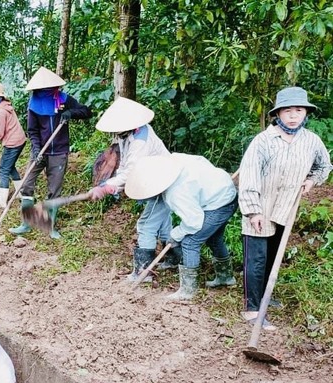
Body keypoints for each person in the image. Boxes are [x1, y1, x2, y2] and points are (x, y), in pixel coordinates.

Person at [238, 86, 331, 329]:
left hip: (285, 210)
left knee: (272, 257)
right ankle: (251, 308)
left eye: (298, 110)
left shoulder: (311, 141)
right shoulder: (263, 141)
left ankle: (266, 298)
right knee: (255, 259)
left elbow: (324, 166)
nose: (293, 115)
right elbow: (249, 177)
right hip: (260, 208)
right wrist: (253, 211)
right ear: (277, 114)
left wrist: (312, 180)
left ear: (305, 113)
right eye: (287, 110)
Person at [124, 153, 239, 300]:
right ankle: (226, 278)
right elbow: (202, 162)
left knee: (190, 242)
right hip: (223, 193)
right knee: (214, 239)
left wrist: (176, 234)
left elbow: (194, 222)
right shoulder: (174, 160)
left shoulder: (176, 193)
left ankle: (188, 291)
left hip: (220, 202)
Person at [88, 97, 176, 282]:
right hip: (153, 180)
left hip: (161, 182)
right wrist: (111, 185)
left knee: (146, 224)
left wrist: (106, 187)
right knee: (162, 221)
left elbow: (130, 172)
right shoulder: (127, 135)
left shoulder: (141, 141)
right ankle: (174, 258)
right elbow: (124, 166)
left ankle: (143, 273)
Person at [9, 66, 92, 239]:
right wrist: (37, 149)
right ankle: (26, 223)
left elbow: (86, 112)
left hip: (59, 152)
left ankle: (51, 226)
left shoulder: (63, 99)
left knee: (55, 190)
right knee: (27, 185)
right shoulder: (34, 103)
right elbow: (32, 131)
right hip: (40, 151)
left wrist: (70, 112)